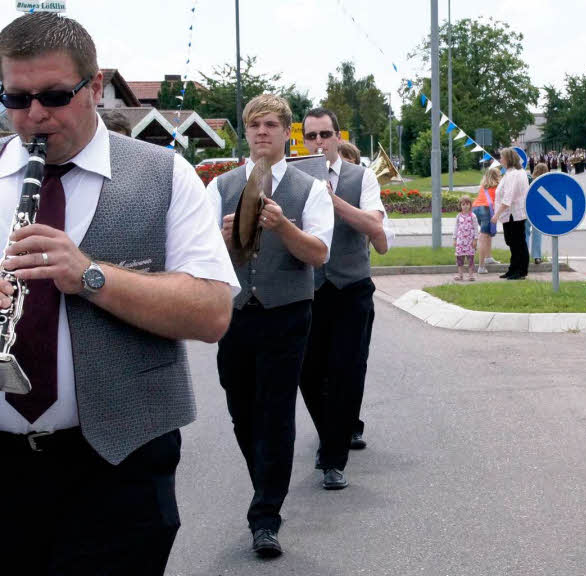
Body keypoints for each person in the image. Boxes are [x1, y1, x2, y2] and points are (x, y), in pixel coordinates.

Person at [0, 12, 237, 574]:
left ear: (96, 87)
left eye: (55, 95)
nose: (34, 115)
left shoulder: (165, 175)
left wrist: (88, 275)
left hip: (120, 465)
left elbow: (212, 312)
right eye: (14, 97)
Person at [208, 94, 334, 558]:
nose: (262, 132)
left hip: (287, 312)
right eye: (255, 124)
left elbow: (319, 254)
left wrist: (284, 227)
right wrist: (218, 241)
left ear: (287, 133)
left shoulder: (309, 189)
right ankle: (265, 484)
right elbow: (197, 262)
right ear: (247, 131)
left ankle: (266, 515)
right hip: (236, 312)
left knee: (277, 412)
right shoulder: (220, 187)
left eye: (271, 125)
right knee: (243, 412)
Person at [298, 110, 387, 496]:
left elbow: (375, 226)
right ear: (301, 139)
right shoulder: (293, 179)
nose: (319, 142)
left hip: (351, 287)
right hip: (308, 289)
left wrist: (332, 202)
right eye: (311, 135)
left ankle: (333, 458)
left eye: (326, 134)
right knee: (309, 373)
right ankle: (331, 431)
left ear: (338, 136)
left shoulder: (361, 177)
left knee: (347, 372)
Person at [491, 147, 530, 280]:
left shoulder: (514, 174)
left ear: (508, 159)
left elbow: (508, 197)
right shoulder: (511, 173)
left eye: (502, 157)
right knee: (513, 242)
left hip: (513, 213)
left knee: (517, 242)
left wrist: (496, 215)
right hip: (511, 214)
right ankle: (513, 268)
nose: (500, 159)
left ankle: (520, 270)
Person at [472, 165, 502, 273]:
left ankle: (488, 258)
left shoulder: (483, 187)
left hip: (475, 209)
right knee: (484, 237)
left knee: (487, 234)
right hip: (486, 210)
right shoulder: (498, 187)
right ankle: (481, 266)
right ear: (497, 176)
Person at [526, 161, 548, 264]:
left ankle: (524, 255)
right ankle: (537, 256)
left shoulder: (528, 179)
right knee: (537, 234)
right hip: (538, 211)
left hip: (526, 209)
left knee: (525, 233)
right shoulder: (545, 182)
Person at [453, 195, 478, 281]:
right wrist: (454, 239)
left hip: (470, 242)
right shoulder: (458, 216)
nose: (465, 206)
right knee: (460, 258)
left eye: (467, 204)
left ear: (470, 205)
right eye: (463, 204)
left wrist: (475, 239)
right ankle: (460, 275)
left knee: (470, 258)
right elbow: (456, 228)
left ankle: (471, 275)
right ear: (460, 206)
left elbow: (475, 228)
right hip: (460, 242)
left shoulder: (473, 216)